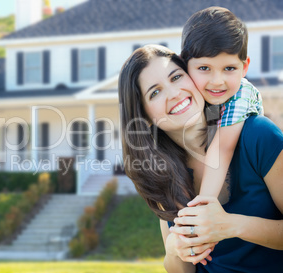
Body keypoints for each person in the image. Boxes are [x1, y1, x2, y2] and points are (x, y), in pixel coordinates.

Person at [118, 44, 283, 272]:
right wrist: (175, 250)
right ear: (143, 116)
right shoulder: (161, 172)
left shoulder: (258, 135)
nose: (174, 93)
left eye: (176, 77)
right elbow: (182, 267)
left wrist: (232, 226)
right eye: (155, 92)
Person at [181, 7, 263, 199]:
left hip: (250, 182)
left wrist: (204, 203)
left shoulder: (242, 94)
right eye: (204, 68)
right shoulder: (192, 96)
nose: (217, 81)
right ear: (185, 65)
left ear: (244, 67)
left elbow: (222, 149)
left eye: (229, 68)